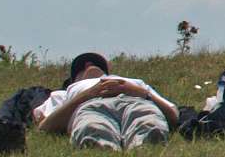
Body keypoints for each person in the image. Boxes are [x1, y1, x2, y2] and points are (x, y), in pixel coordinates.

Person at [32, 53, 181, 151]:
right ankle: (102, 152)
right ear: (74, 80)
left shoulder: (137, 83)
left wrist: (141, 92)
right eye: (81, 68)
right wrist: (87, 95)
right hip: (90, 107)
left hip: (137, 101)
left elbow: (173, 115)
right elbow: (45, 126)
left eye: (95, 63)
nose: (88, 65)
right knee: (93, 130)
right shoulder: (64, 93)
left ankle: (147, 154)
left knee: (149, 126)